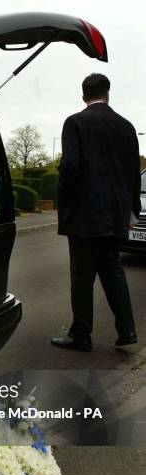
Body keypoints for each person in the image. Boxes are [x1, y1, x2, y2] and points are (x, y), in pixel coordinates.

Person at [51, 73, 141, 352]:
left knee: (82, 276)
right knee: (112, 269)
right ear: (108, 93)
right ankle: (127, 331)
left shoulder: (76, 122)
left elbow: (70, 168)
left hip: (84, 215)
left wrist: (64, 201)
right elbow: (133, 174)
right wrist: (132, 213)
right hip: (116, 214)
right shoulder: (127, 127)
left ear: (83, 96)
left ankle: (81, 334)